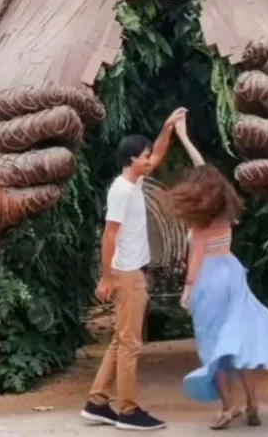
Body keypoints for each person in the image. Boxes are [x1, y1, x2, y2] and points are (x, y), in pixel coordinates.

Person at [170, 120, 268, 430]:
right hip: (232, 274)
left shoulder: (199, 223)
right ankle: (251, 404)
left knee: (214, 346)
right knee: (239, 342)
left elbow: (195, 262)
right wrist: (183, 134)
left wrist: (187, 290)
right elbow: (206, 170)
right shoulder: (223, 207)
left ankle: (227, 407)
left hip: (208, 280)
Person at [81, 109, 186, 431]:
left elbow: (159, 152)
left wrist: (167, 126)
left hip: (129, 272)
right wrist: (108, 276)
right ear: (130, 159)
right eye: (144, 157)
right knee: (130, 344)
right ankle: (128, 411)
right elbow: (109, 235)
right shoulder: (121, 191)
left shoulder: (134, 182)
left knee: (120, 339)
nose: (149, 160)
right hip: (127, 274)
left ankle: (97, 402)